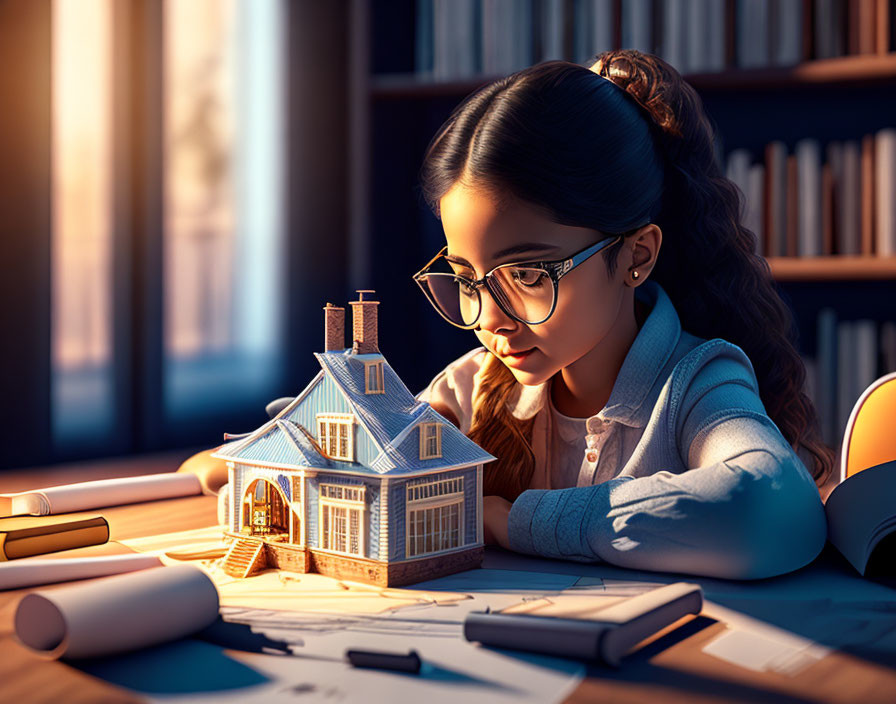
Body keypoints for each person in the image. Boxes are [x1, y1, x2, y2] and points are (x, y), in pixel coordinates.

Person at [412, 50, 832, 580]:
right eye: (468, 279)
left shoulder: (695, 385)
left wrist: (511, 521)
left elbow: (772, 509)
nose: (489, 320)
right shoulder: (467, 391)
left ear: (636, 256)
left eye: (527, 275)